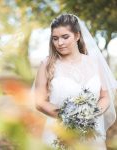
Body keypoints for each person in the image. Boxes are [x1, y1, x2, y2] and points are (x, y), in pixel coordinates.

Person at [33, 13, 117, 150]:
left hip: (91, 134)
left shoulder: (95, 63)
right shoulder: (47, 64)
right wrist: (69, 117)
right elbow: (39, 102)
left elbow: (105, 97)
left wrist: (90, 115)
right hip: (59, 134)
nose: (59, 43)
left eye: (65, 37)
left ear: (77, 36)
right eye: (55, 38)